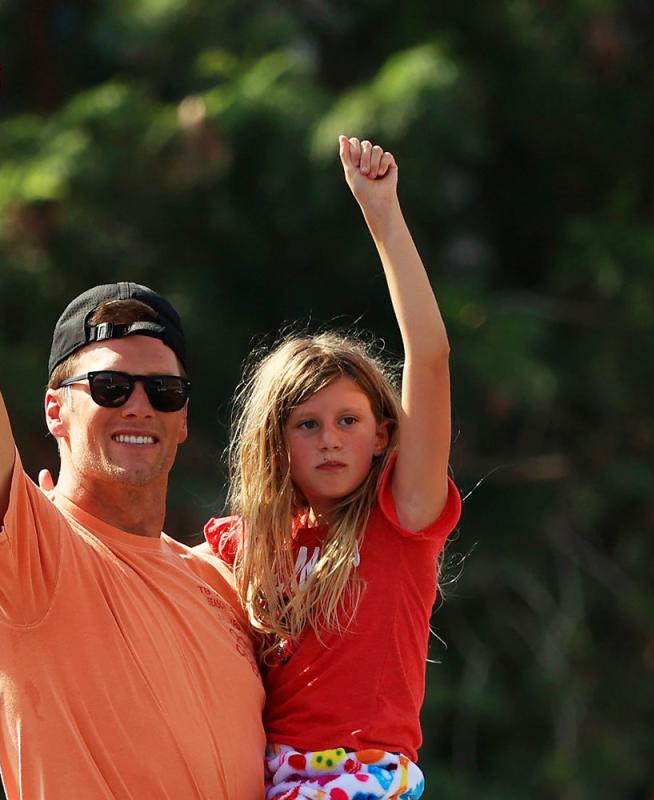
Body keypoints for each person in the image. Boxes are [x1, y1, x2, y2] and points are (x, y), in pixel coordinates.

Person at [0, 8, 265, 798]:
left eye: (163, 391)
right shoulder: (24, 555)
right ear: (56, 410)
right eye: (110, 387)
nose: (139, 408)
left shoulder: (222, 584)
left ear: (187, 417)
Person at [204, 137, 461, 799]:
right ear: (278, 443)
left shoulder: (401, 517)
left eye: (348, 421)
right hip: (268, 783)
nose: (329, 441)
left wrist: (384, 218)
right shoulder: (251, 545)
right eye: (307, 425)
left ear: (382, 434)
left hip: (365, 780)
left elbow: (429, 359)